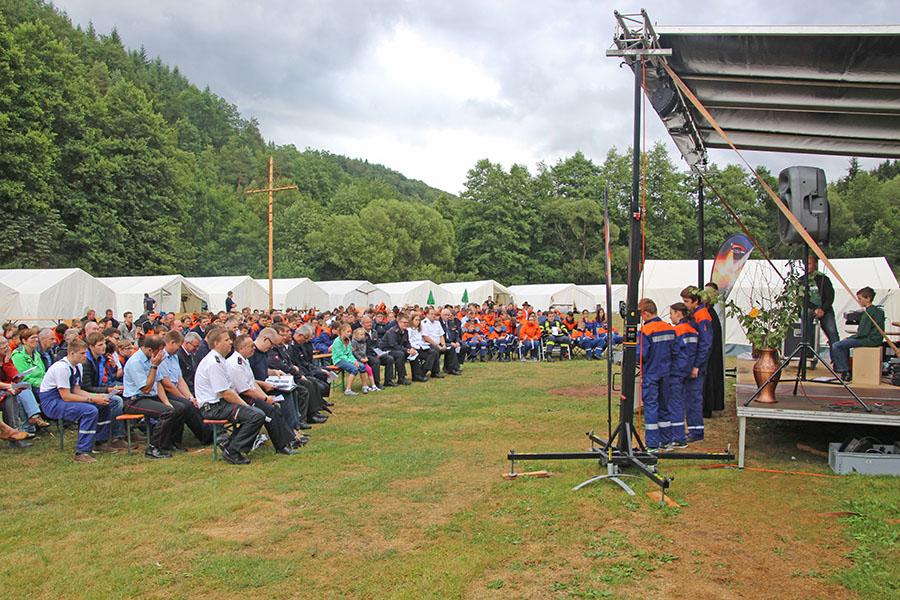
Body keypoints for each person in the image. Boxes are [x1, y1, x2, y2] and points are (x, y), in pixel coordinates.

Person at [194, 328, 266, 465]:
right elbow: (225, 392)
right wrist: (245, 406)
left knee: (256, 413)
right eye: (226, 340)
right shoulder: (213, 363)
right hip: (213, 407)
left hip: (220, 403)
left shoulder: (220, 360)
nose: (230, 342)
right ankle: (233, 451)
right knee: (255, 415)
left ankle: (231, 444)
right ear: (216, 343)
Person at [38, 338, 113, 463]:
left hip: (64, 397)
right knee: (89, 410)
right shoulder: (62, 367)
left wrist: (97, 396)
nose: (85, 356)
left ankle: (100, 442)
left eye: (85, 353)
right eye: (82, 353)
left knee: (104, 403)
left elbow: (77, 390)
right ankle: (81, 452)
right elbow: (66, 396)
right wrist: (91, 399)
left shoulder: (78, 366)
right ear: (72, 353)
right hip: (52, 402)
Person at [226, 334, 300, 455]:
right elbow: (246, 390)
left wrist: (267, 398)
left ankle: (289, 440)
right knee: (269, 410)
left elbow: (253, 383)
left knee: (274, 408)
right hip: (239, 398)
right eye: (251, 347)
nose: (253, 349)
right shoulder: (235, 364)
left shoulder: (244, 360)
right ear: (241, 348)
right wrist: (265, 399)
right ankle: (282, 446)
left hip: (248, 395)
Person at [122, 334, 187, 459]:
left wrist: (166, 401)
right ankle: (154, 447)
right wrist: (154, 366)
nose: (162, 353)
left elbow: (158, 384)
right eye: (160, 350)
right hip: (135, 400)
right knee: (166, 412)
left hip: (151, 397)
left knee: (180, 408)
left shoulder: (152, 359)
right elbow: (145, 388)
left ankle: (171, 443)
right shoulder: (136, 362)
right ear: (150, 350)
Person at [157, 330, 213, 447]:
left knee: (194, 402)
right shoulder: (161, 357)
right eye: (178, 345)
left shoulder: (174, 357)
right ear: (171, 342)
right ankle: (205, 436)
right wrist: (184, 398)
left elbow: (180, 380)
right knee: (185, 406)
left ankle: (209, 431)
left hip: (174, 389)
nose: (179, 348)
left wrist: (190, 397)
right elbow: (166, 383)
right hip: (164, 392)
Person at [637, 299, 674, 451]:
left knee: (651, 407)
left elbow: (641, 354)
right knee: (664, 406)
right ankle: (666, 441)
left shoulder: (646, 331)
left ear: (645, 313)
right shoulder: (669, 328)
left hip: (651, 374)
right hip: (667, 373)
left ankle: (652, 444)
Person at [82, 332, 128, 451]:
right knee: (116, 401)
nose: (103, 347)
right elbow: (86, 387)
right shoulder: (87, 362)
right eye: (99, 345)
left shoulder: (100, 358)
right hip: (85, 394)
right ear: (91, 347)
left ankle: (127, 432)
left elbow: (110, 378)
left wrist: (112, 367)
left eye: (103, 344)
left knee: (127, 394)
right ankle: (114, 437)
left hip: (99, 389)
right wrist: (108, 389)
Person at [830, 286, 886, 381]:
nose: (859, 301)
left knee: (837, 345)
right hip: (876, 338)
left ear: (868, 298)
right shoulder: (878, 311)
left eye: (860, 299)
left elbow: (862, 333)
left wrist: (850, 338)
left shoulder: (868, 313)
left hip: (869, 340)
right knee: (844, 345)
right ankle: (846, 370)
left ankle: (845, 371)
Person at [680, 286, 713, 442]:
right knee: (690, 397)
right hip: (693, 362)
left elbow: (705, 344)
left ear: (695, 301)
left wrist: (697, 365)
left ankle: (696, 431)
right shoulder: (696, 314)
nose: (685, 304)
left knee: (693, 397)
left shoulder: (702, 316)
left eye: (686, 301)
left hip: (697, 365)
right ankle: (693, 429)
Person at [667, 303, 695, 449]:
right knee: (682, 403)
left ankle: (678, 437)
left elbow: (674, 351)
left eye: (671, 313)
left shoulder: (678, 330)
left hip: (676, 371)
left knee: (674, 404)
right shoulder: (692, 329)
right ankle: (681, 434)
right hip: (687, 371)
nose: (670, 316)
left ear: (678, 313)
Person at [378, 313, 416, 385]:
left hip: (395, 350)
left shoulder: (405, 331)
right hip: (385, 350)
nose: (406, 324)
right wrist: (407, 350)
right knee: (400, 354)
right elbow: (393, 345)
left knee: (414, 352)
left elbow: (407, 343)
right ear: (398, 322)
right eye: (404, 322)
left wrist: (411, 349)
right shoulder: (392, 331)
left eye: (407, 322)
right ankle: (401, 378)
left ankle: (417, 375)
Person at [331, 324, 367, 395]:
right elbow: (341, 355)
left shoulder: (348, 341)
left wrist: (355, 361)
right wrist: (352, 362)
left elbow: (350, 354)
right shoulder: (337, 341)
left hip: (347, 359)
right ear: (342, 331)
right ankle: (348, 390)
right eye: (348, 332)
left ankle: (364, 386)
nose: (350, 334)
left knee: (362, 366)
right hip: (338, 360)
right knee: (354, 369)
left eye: (350, 332)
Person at [361, 315, 396, 386]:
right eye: (367, 323)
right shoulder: (360, 333)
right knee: (376, 361)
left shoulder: (374, 332)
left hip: (375, 353)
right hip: (365, 355)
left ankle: (388, 381)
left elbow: (377, 345)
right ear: (363, 324)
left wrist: (379, 353)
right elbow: (360, 348)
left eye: (370, 322)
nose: (369, 324)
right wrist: (374, 354)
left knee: (390, 359)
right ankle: (376, 383)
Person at [407, 314, 436, 381]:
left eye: (419, 320)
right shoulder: (409, 330)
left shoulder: (418, 329)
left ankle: (422, 372)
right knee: (429, 355)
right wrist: (418, 347)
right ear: (411, 321)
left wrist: (425, 344)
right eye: (416, 320)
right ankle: (419, 374)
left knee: (433, 352)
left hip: (422, 347)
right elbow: (410, 341)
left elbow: (420, 340)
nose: (418, 322)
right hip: (415, 348)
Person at [351, 327, 380, 392]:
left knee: (369, 369)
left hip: (363, 359)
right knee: (363, 368)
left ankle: (373, 385)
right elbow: (354, 352)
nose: (363, 336)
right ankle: (365, 386)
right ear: (356, 335)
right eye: (361, 335)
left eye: (363, 334)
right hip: (356, 360)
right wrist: (360, 359)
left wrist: (365, 357)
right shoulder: (354, 342)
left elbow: (363, 351)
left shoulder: (364, 341)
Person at [438, 308, 463, 374]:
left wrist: (457, 341)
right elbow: (441, 336)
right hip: (442, 342)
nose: (447, 317)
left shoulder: (450, 322)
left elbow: (456, 333)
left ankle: (456, 365)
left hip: (452, 341)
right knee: (451, 348)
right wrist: (451, 343)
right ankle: (452, 368)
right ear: (441, 315)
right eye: (445, 315)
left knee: (464, 347)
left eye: (448, 315)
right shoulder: (438, 323)